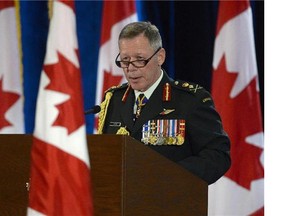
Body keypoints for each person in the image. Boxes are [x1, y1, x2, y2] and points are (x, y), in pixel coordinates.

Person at [97, 21, 230, 185]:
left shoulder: (190, 100)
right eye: (125, 60)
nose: (130, 68)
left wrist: (169, 176)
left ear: (160, 57)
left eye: (139, 59)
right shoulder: (114, 100)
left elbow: (218, 154)